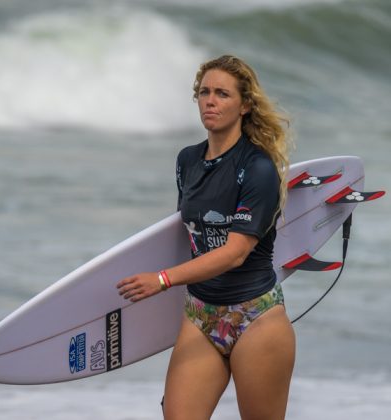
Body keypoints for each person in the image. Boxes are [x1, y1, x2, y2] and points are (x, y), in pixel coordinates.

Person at [116, 54, 295, 420]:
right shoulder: (187, 161)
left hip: (254, 315)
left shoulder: (257, 169)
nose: (210, 101)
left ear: (245, 105)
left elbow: (234, 253)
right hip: (200, 314)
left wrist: (162, 279)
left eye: (222, 94)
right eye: (204, 92)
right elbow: (190, 232)